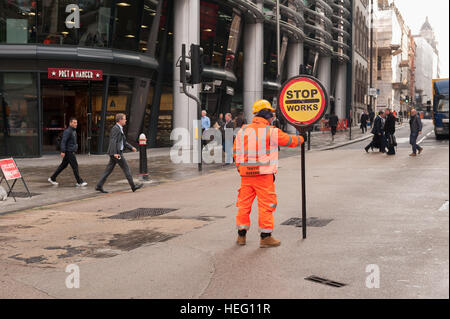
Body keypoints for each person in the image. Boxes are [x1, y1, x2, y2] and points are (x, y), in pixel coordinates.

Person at [233, 99, 304, 248]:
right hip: (264, 175)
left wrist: (240, 168)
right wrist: (302, 138)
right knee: (266, 205)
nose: (272, 116)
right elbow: (289, 140)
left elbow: (236, 152)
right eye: (270, 113)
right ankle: (265, 237)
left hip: (246, 175)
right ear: (265, 113)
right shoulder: (270, 131)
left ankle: (241, 236)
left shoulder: (243, 130)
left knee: (244, 205)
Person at [95, 113, 142, 193]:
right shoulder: (115, 128)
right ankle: (133, 186)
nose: (126, 120)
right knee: (126, 168)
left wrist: (131, 148)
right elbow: (113, 141)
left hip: (116, 153)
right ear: (120, 120)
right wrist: (115, 153)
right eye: (124, 119)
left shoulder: (119, 128)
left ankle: (99, 186)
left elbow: (123, 142)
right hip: (116, 153)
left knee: (108, 170)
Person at [48, 117, 87, 187]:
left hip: (70, 151)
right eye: (74, 123)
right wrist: (63, 151)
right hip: (69, 152)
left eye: (76, 122)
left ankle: (52, 178)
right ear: (70, 123)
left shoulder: (73, 131)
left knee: (63, 166)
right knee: (75, 166)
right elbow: (63, 141)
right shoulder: (68, 131)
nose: (76, 124)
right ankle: (79, 181)